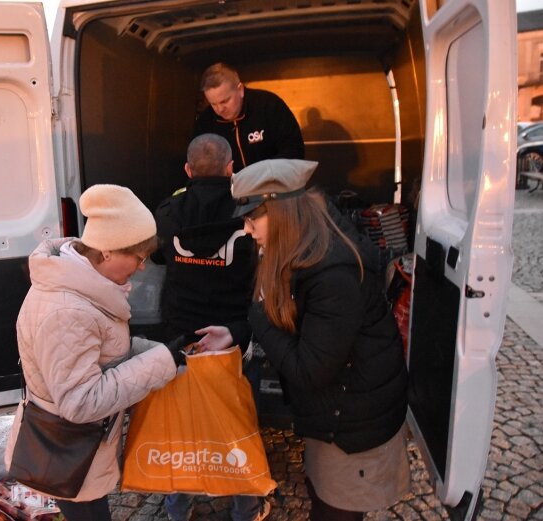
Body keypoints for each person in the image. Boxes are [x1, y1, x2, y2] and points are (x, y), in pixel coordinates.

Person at [233, 159, 410, 521]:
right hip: (332, 411)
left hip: (353, 424)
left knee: (335, 510)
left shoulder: (333, 275)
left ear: (283, 211)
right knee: (320, 494)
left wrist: (255, 317)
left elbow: (311, 370)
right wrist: (237, 331)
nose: (247, 231)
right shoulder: (304, 247)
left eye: (253, 219)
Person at [5, 184, 187, 520]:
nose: (143, 267)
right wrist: (161, 361)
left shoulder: (84, 288)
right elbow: (81, 401)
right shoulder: (67, 311)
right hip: (69, 452)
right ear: (107, 252)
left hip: (79, 450)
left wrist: (163, 353)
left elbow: (101, 352)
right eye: (139, 257)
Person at [153, 135, 268, 521]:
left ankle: (177, 506)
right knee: (238, 424)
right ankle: (244, 508)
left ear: (188, 171)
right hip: (233, 334)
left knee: (182, 426)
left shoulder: (169, 211)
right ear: (230, 167)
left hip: (180, 336)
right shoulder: (249, 212)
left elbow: (153, 251)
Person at [194, 63, 304, 169]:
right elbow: (202, 166)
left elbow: (294, 150)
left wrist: (262, 175)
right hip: (230, 187)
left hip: (276, 184)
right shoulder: (206, 122)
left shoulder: (269, 105)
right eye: (213, 104)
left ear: (240, 90)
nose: (220, 109)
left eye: (225, 101)